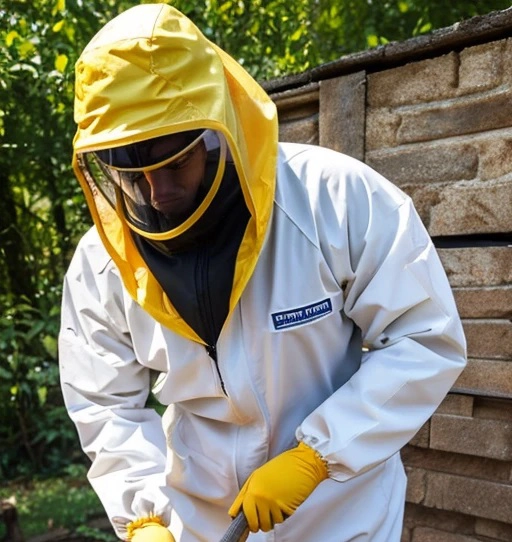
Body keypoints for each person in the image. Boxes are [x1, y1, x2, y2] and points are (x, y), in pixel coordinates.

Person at [58, 4, 467, 542]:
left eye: (174, 164)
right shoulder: (103, 262)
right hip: (197, 522)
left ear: (217, 130)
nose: (158, 195)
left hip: (339, 514)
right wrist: (144, 516)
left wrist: (319, 454)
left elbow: (424, 337)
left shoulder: (333, 199)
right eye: (133, 177)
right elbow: (104, 400)